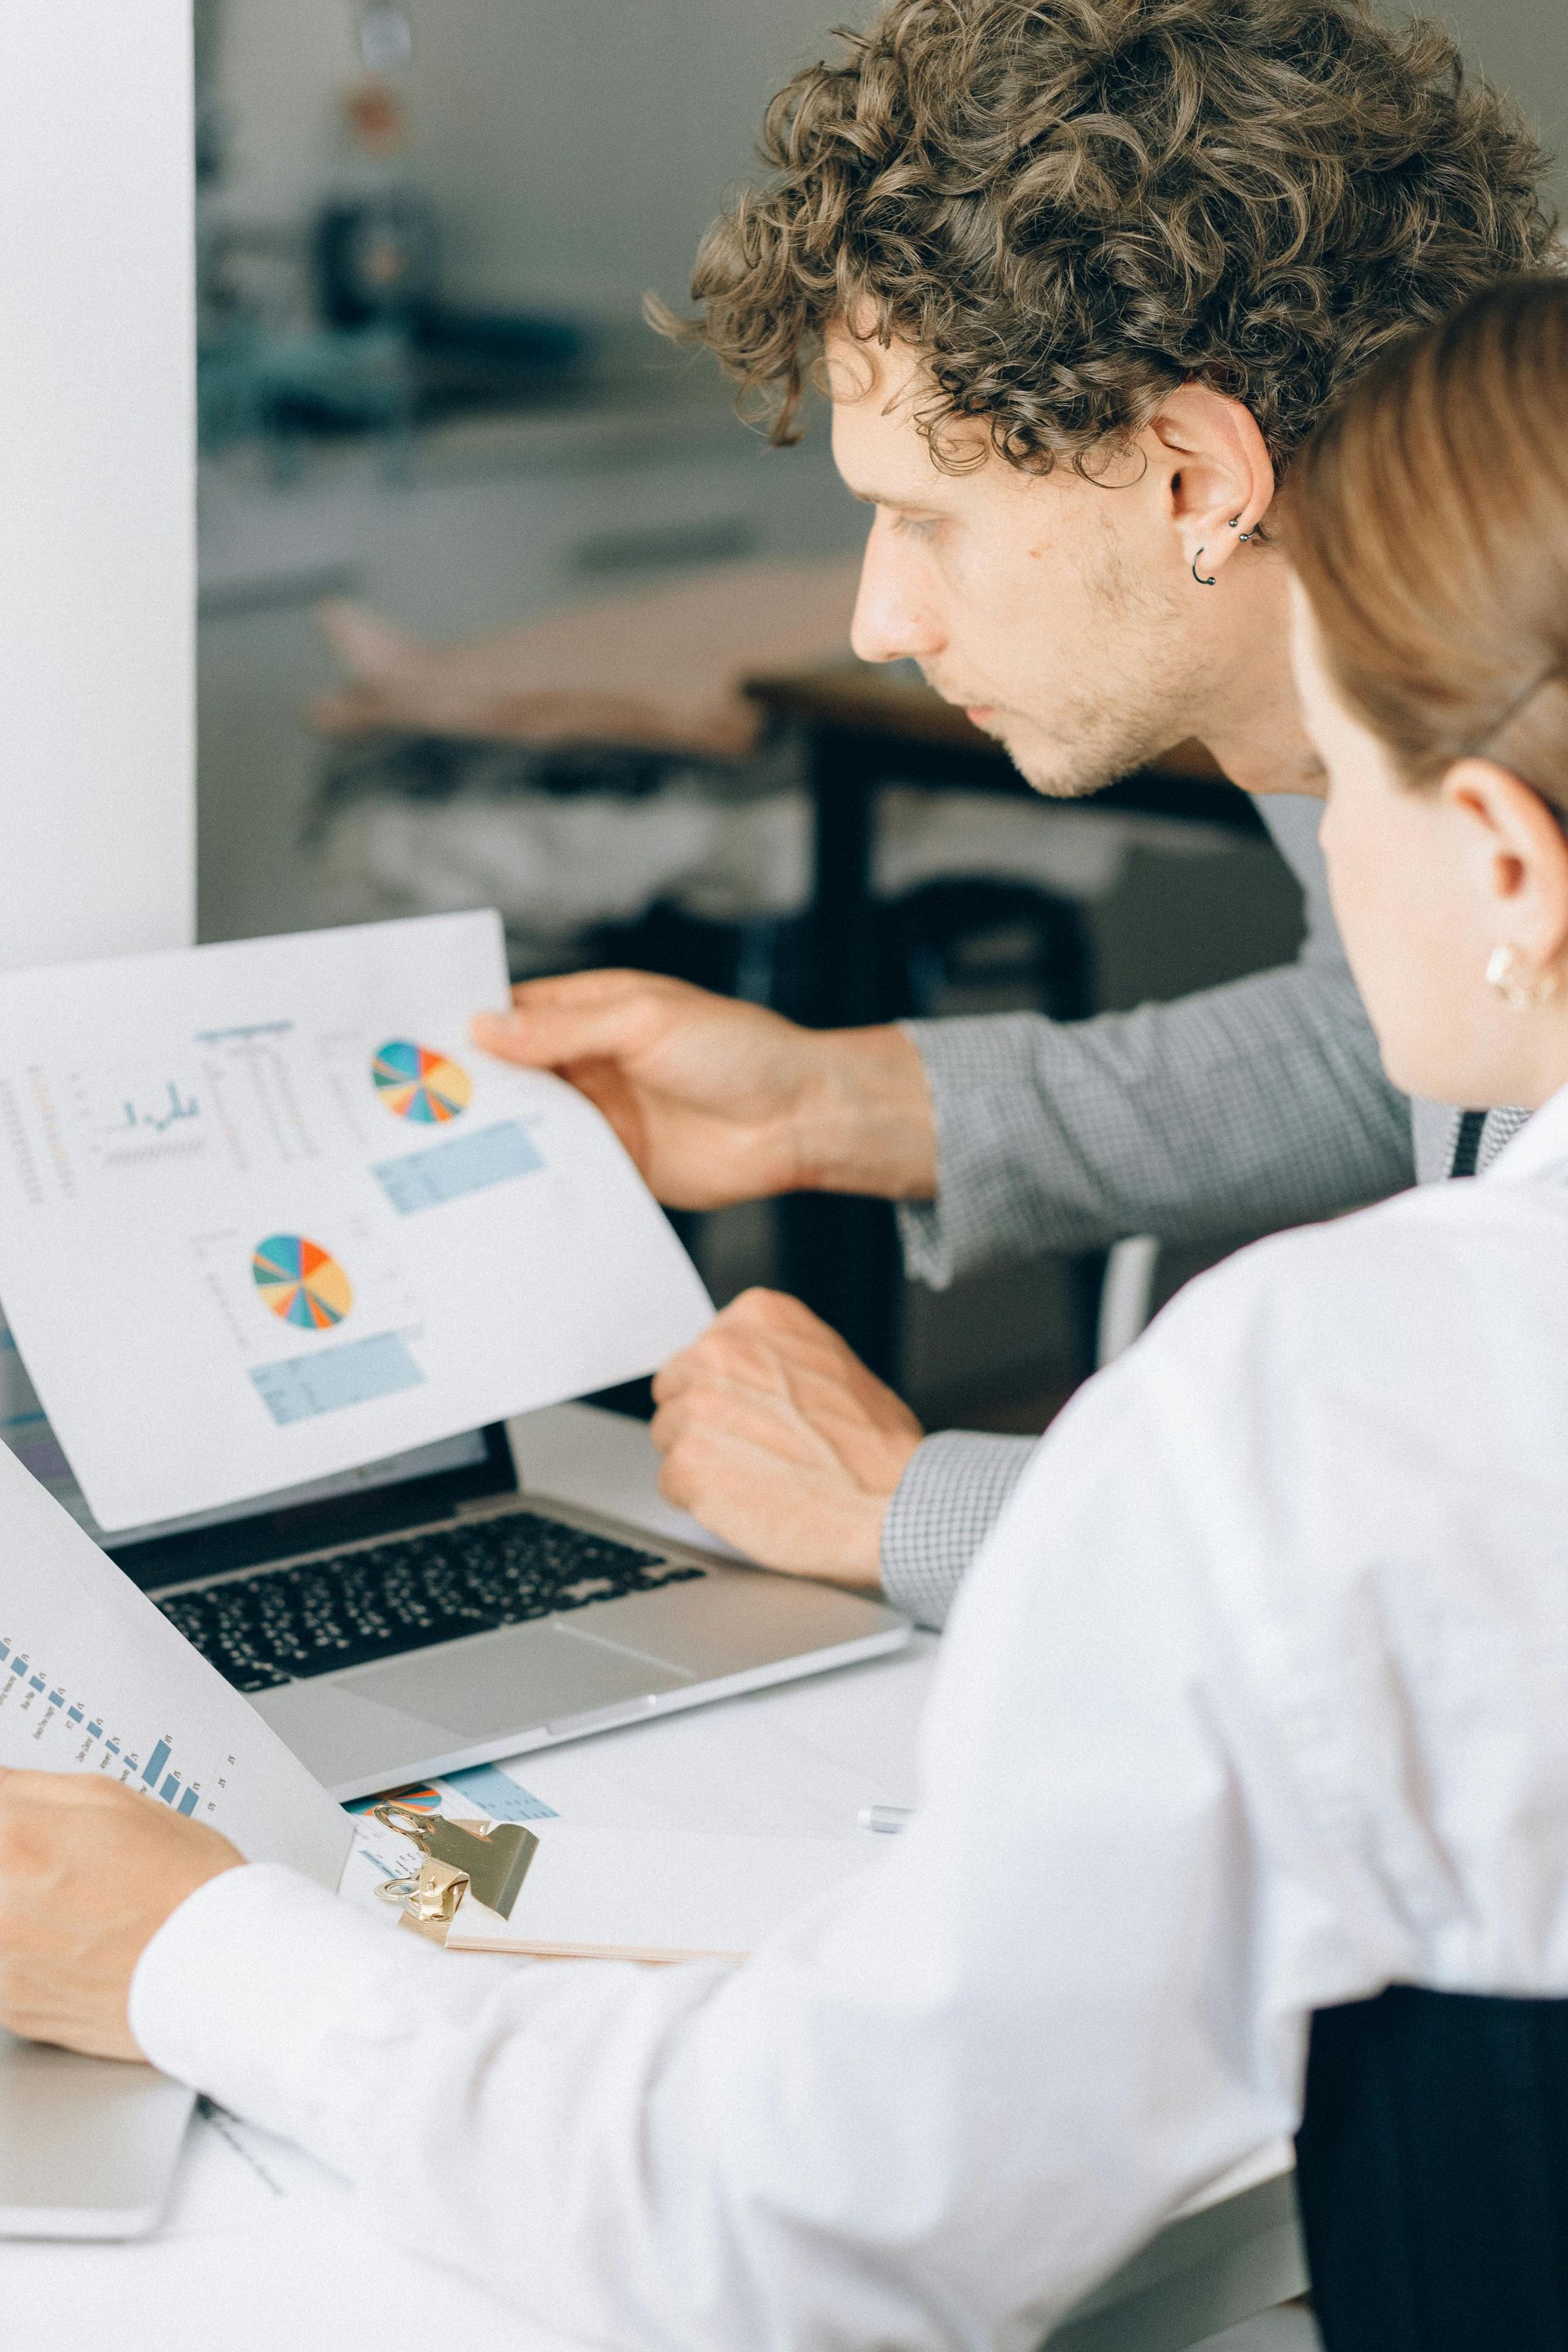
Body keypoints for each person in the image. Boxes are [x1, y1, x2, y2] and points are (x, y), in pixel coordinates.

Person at [7, 273, 1568, 2348]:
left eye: (1334, 777)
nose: (872, 614)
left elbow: (794, 2224)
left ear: (1502, 858)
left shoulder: (1335, 1394)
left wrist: (187, 1949)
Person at [464, 0, 1555, 1627]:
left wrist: (917, 1505)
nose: (878, 622)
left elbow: (1487, 1577)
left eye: (926, 519)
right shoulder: (1388, 697)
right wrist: (821, 1110)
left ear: (1196, 478)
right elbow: (1432, 1041)